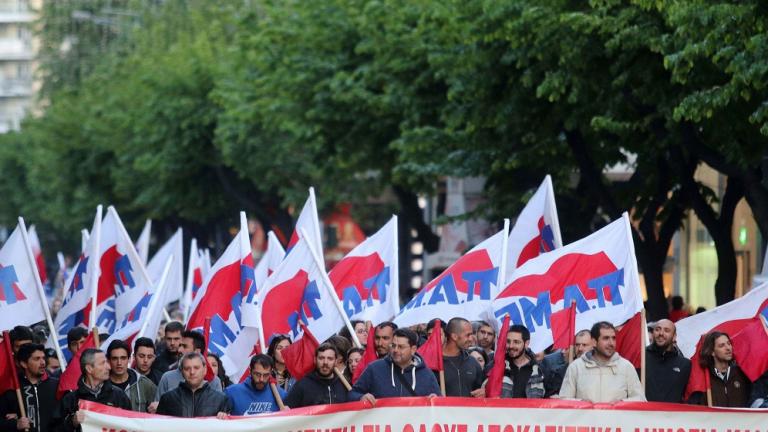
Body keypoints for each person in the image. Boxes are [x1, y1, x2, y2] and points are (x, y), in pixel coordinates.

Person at [558, 322, 645, 403]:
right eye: (606, 338)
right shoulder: (576, 367)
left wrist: (621, 404)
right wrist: (583, 404)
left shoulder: (626, 367)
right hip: (587, 419)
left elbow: (640, 400)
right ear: (594, 342)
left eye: (613, 338)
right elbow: (564, 401)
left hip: (616, 419)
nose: (611, 343)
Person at [350, 328, 440, 405]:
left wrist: (436, 400)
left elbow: (441, 404)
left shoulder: (427, 375)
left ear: (413, 349)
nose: (395, 350)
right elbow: (352, 394)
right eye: (393, 345)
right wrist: (361, 397)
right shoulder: (374, 369)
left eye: (401, 347)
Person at [60, 349, 131, 432]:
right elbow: (56, 428)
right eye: (102, 363)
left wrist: (122, 418)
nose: (109, 367)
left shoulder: (118, 395)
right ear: (89, 369)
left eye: (107, 362)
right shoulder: (71, 399)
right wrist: (72, 422)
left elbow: (132, 426)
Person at [152, 330, 223, 407]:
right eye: (180, 346)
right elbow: (157, 411)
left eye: (185, 346)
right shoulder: (167, 378)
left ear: (197, 352)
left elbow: (219, 409)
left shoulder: (213, 381)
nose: (179, 350)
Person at [0, 343, 60, 432]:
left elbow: (66, 418)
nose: (43, 362)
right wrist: (15, 424)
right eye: (37, 359)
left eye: (43, 358)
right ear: (24, 364)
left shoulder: (57, 385)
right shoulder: (13, 389)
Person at [156, 353, 230, 418]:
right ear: (181, 372)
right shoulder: (167, 398)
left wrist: (224, 419)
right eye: (187, 368)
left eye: (196, 368)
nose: (192, 372)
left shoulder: (221, 399)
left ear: (205, 370)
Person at [690, 331, 750, 407]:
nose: (728, 348)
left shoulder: (742, 373)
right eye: (722, 346)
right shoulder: (704, 379)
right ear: (712, 352)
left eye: (729, 343)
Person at [284, 343, 350, 408]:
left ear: (336, 361)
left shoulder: (344, 384)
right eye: (321, 358)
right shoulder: (303, 385)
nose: (325, 362)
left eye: (330, 359)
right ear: (315, 360)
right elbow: (287, 412)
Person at [492, 325, 546, 399]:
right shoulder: (496, 365)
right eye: (508, 341)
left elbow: (548, 400)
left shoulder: (541, 370)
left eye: (516, 342)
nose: (511, 346)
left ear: (526, 344)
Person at [645, 319, 691, 403]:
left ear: (674, 336)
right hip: (643, 414)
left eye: (666, 330)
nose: (661, 333)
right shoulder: (641, 357)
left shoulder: (685, 364)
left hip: (673, 415)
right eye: (657, 329)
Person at [106, 340, 157, 412]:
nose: (119, 363)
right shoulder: (101, 385)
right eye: (115, 358)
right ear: (108, 360)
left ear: (129, 359)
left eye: (123, 358)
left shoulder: (145, 384)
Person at [540, 330, 594, 397]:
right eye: (577, 345)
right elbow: (551, 395)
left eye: (584, 345)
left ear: (593, 345)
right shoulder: (562, 371)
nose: (580, 348)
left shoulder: (602, 367)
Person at [442, 318, 484, 397]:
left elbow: (480, 388)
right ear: (454, 336)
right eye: (468, 335)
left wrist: (483, 392)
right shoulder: (434, 363)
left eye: (472, 334)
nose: (471, 339)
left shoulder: (472, 362)